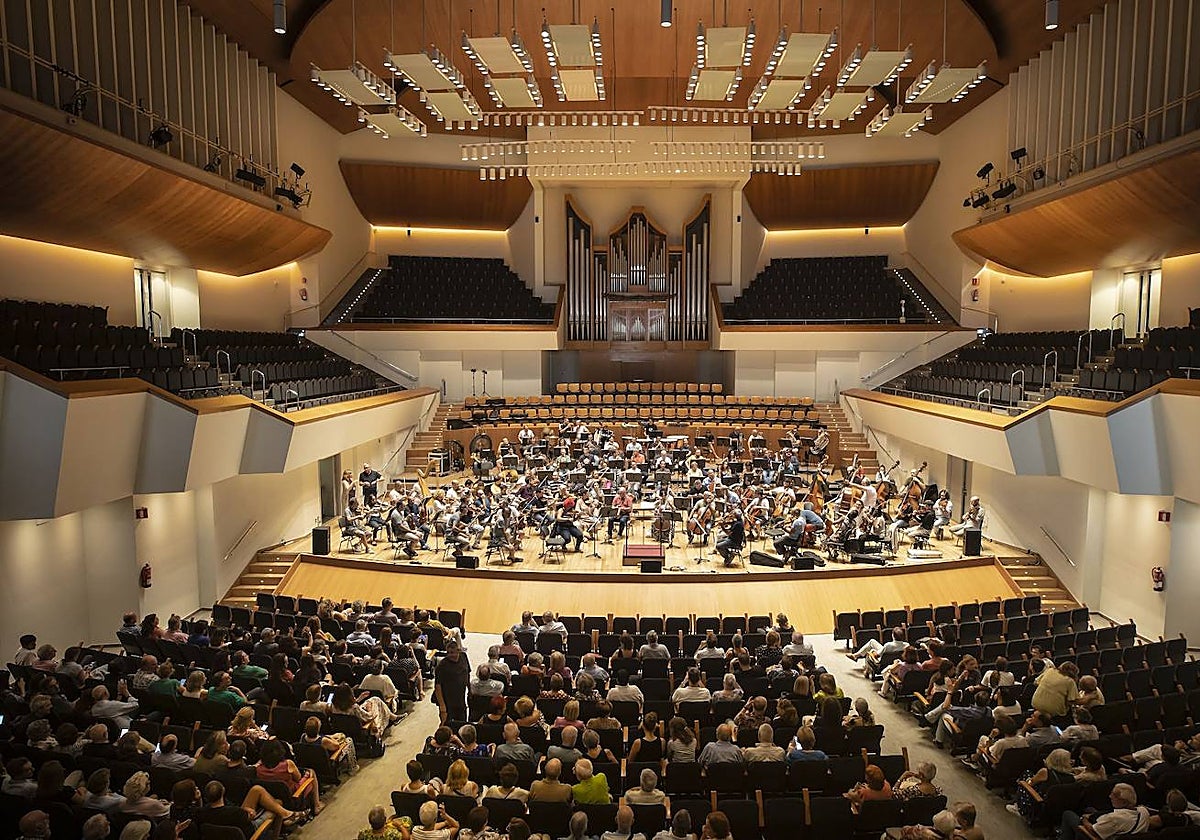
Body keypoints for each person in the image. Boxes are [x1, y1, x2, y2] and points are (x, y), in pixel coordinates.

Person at [1058, 782, 1149, 840]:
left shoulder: (1115, 818)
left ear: (1124, 801)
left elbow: (1093, 830)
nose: (1110, 796)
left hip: (1095, 834)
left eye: (1114, 795)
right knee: (1089, 809)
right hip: (1121, 829)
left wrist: (1083, 819)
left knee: (1068, 814)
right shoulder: (1144, 811)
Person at [256, 737, 322, 815]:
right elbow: (298, 778)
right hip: (294, 794)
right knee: (311, 772)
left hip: (275, 798)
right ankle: (317, 805)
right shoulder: (288, 764)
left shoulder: (259, 769)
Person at [435, 639, 471, 724]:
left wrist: (470, 689)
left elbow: (467, 673)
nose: (449, 655)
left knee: (462, 723)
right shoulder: (442, 665)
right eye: (448, 653)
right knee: (447, 724)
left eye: (452, 652)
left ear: (458, 651)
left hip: (461, 700)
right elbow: (437, 686)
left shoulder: (464, 657)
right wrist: (442, 706)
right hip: (448, 701)